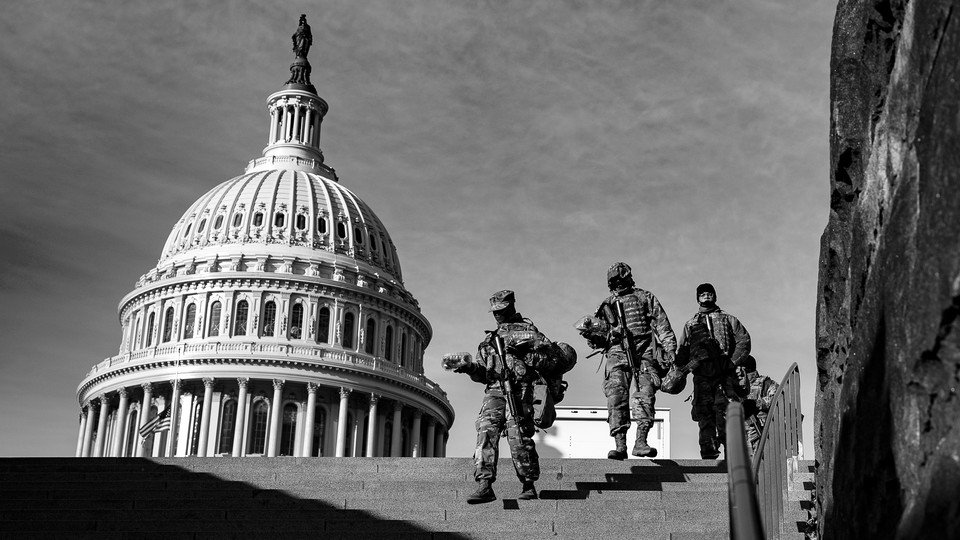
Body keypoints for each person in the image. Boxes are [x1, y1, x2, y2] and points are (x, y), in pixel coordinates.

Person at [442, 290, 557, 504]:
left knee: (519, 435)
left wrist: (526, 353)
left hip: (522, 389)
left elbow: (550, 361)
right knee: (486, 429)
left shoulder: (529, 332)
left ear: (511, 307)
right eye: (494, 312)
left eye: (501, 311)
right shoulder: (489, 340)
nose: (497, 315)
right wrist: (468, 368)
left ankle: (528, 483)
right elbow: (484, 373)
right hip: (495, 390)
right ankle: (484, 484)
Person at [576, 262, 677, 460]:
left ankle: (641, 441)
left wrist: (670, 349)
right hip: (617, 353)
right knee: (616, 397)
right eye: (614, 282)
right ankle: (620, 444)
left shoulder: (645, 297)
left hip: (645, 352)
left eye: (620, 280)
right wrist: (593, 333)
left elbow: (662, 325)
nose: (618, 284)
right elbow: (596, 340)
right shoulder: (606, 306)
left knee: (645, 394)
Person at [676, 283, 751, 459]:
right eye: (702, 294)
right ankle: (708, 452)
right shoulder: (691, 324)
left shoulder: (728, 319)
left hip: (725, 374)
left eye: (710, 293)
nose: (706, 296)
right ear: (698, 298)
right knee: (704, 413)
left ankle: (732, 453)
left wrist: (732, 362)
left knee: (727, 411)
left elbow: (744, 341)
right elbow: (683, 350)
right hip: (701, 376)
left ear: (715, 296)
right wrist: (680, 367)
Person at [736, 355, 778, 455]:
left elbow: (777, 400)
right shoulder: (733, 385)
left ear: (744, 369)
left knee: (759, 459)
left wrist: (756, 404)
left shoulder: (766, 383)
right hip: (738, 430)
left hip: (759, 429)